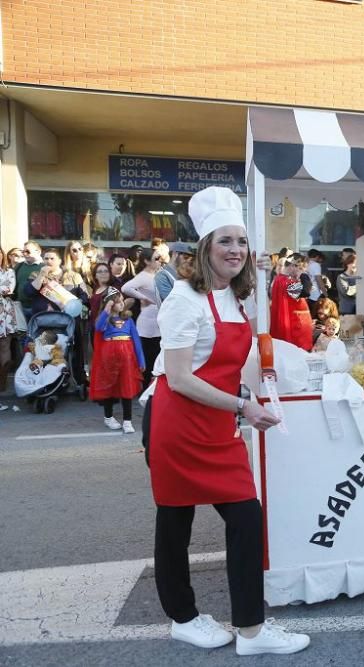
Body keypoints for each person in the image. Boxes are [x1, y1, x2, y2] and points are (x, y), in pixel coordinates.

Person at [146, 186, 309, 655]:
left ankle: (251, 632)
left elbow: (222, 366)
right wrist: (243, 406)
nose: (236, 250)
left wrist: (244, 396)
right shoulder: (183, 300)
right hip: (178, 423)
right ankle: (183, 617)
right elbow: (178, 378)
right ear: (205, 248)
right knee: (175, 521)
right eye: (225, 242)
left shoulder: (234, 299)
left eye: (241, 242)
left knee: (245, 517)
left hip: (217, 421)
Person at [89, 288, 144, 433]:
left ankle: (127, 421)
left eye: (121, 301)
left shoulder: (128, 319)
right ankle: (108, 417)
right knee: (109, 387)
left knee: (127, 387)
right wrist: (107, 308)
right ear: (111, 303)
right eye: (118, 301)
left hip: (127, 356)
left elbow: (136, 340)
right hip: (109, 357)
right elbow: (99, 327)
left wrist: (141, 360)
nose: (121, 304)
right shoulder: (105, 319)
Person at [123, 247, 167, 388]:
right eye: (156, 258)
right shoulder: (143, 276)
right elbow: (126, 288)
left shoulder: (159, 274)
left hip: (159, 319)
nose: (159, 261)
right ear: (147, 261)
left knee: (157, 355)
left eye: (160, 258)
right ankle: (147, 389)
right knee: (149, 356)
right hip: (148, 323)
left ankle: (155, 387)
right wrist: (143, 297)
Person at [269, 253, 313, 352]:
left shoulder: (278, 279)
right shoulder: (287, 282)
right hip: (295, 332)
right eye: (301, 268)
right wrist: (303, 275)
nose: (302, 270)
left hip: (286, 327)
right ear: (294, 265)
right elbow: (306, 291)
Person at [0, 245, 17, 410]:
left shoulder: (9, 271)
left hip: (5, 313)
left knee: (5, 348)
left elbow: (9, 289)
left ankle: (2, 385)